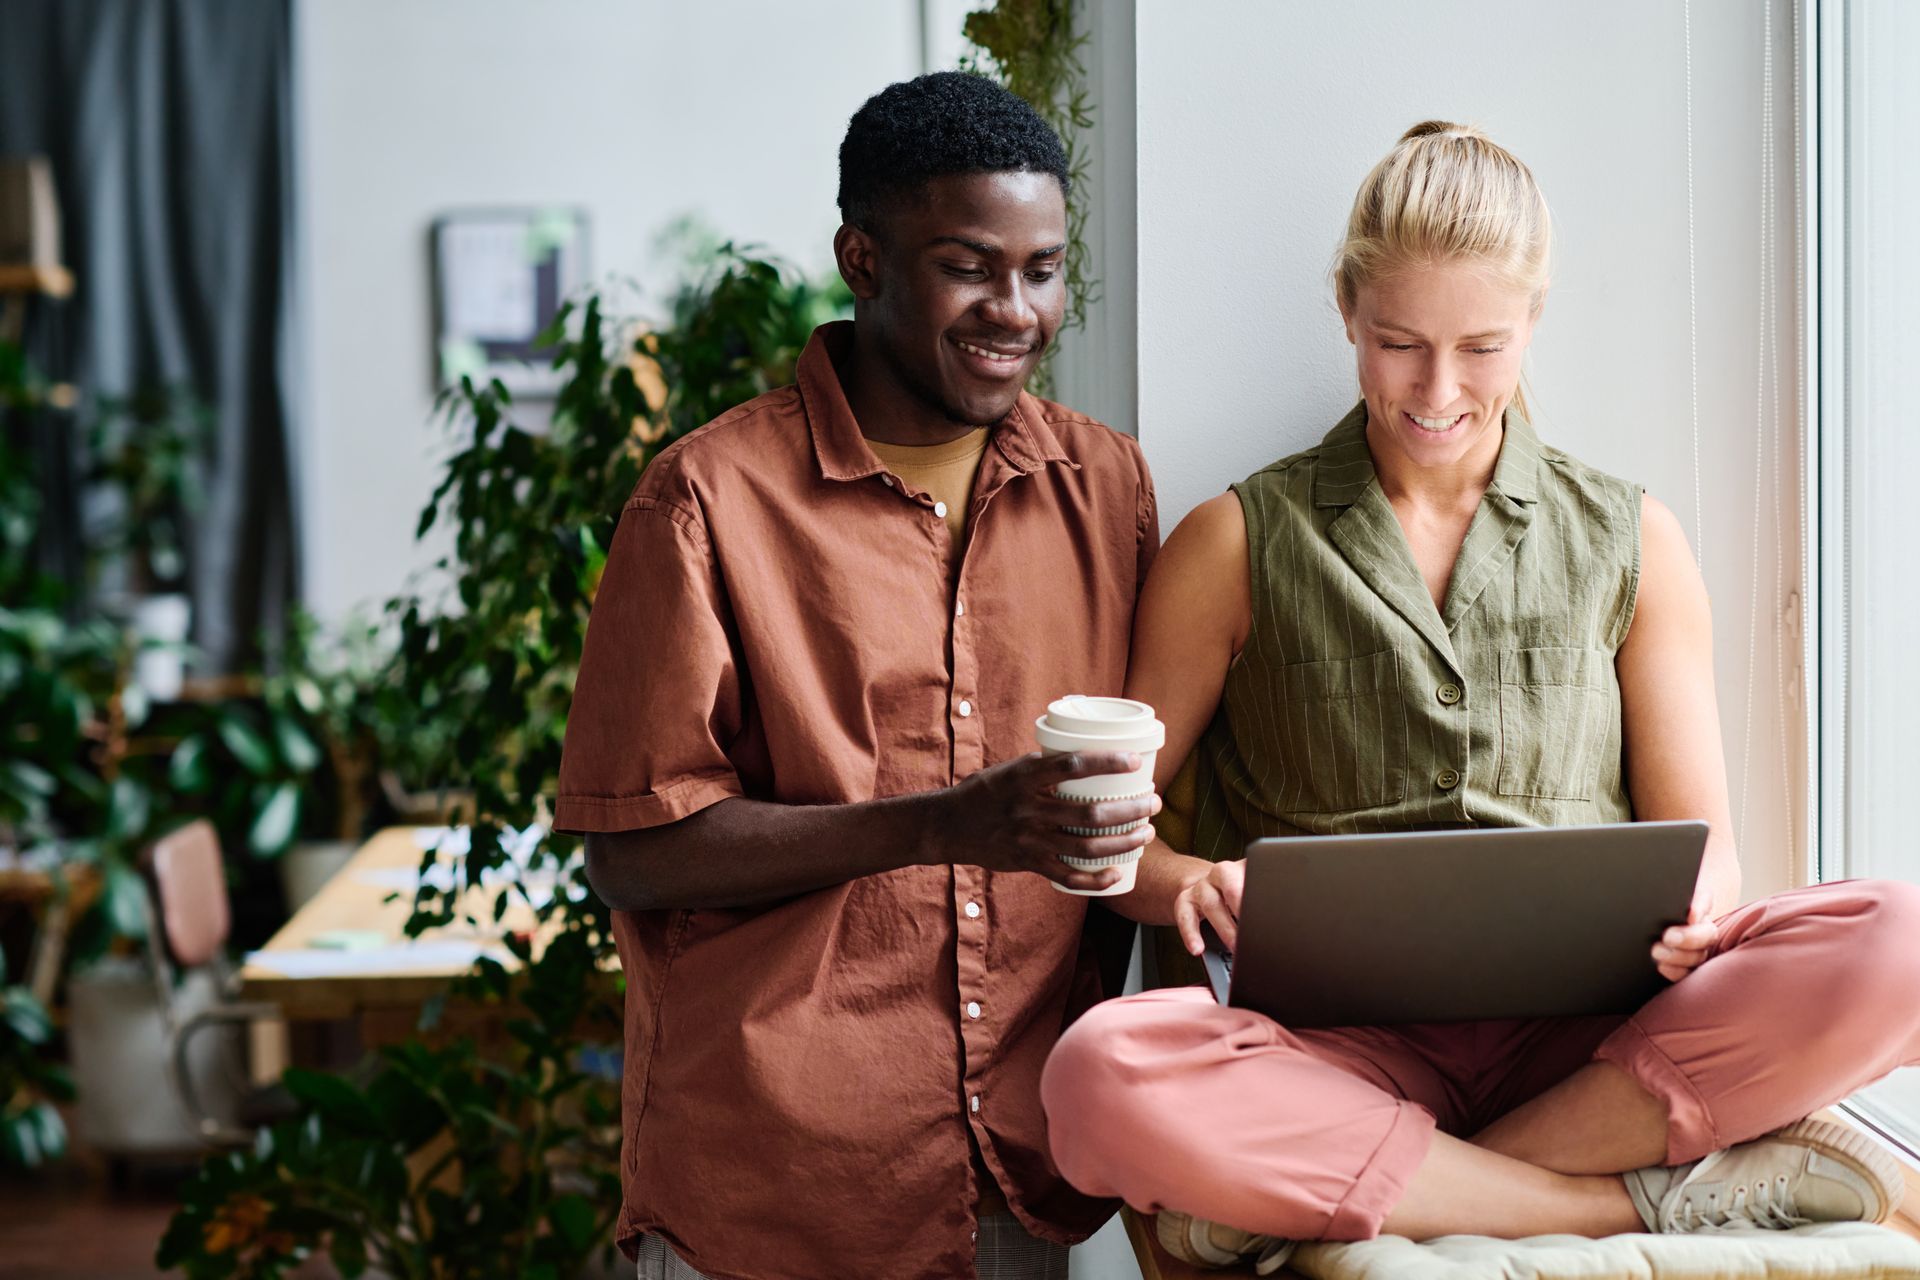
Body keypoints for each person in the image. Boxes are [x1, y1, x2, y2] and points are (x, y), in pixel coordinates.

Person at [1038, 121, 1920, 1273]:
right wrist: (1191, 881)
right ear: (1347, 309)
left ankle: (1379, 1182)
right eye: (1399, 341)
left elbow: (1709, 845)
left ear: (1534, 322)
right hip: (1333, 1052)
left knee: (1898, 937)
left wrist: (1698, 914)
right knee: (1098, 1074)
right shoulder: (1237, 539)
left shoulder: (1631, 537)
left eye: (1482, 345)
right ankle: (1612, 1203)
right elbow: (1112, 843)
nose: (1438, 389)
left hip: (1590, 1049)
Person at [554, 72, 1161, 1280]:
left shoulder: (1109, 488)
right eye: (971, 266)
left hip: (1025, 1168)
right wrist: (946, 823)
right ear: (863, 258)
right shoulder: (705, 500)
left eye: (1043, 269)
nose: (1016, 309)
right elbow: (632, 846)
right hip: (775, 1181)